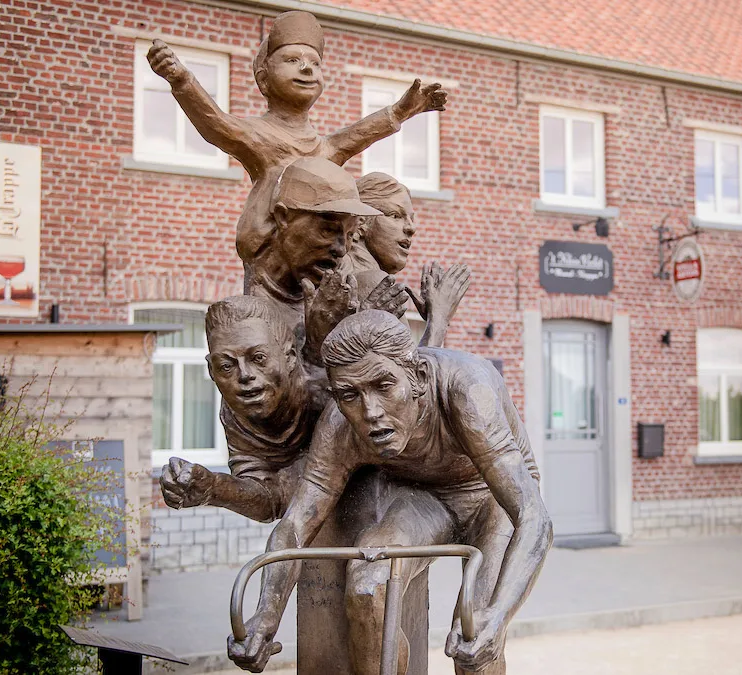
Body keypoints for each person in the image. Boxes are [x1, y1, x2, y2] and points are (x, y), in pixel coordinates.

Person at [227, 311, 552, 675]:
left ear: (418, 377)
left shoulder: (467, 391)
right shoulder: (340, 424)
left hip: (493, 496)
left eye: (383, 386)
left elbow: (533, 517)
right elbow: (296, 523)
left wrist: (499, 614)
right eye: (350, 394)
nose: (371, 412)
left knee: (474, 631)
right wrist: (266, 615)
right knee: (368, 588)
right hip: (423, 497)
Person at [145, 11, 447, 295]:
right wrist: (182, 80)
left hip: (319, 266)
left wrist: (401, 110)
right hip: (271, 269)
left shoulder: (323, 148)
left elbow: (358, 135)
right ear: (264, 78)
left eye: (315, 63)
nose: (306, 68)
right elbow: (217, 124)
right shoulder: (259, 136)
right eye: (292, 60)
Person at [160, 295, 322, 523]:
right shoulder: (237, 413)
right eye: (226, 366)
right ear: (211, 371)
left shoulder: (330, 387)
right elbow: (269, 502)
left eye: (258, 358)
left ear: (290, 357)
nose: (245, 375)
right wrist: (215, 488)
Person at [355, 172, 471, 347]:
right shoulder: (372, 282)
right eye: (395, 215)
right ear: (361, 222)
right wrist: (439, 319)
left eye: (411, 219)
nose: (411, 228)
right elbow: (412, 366)